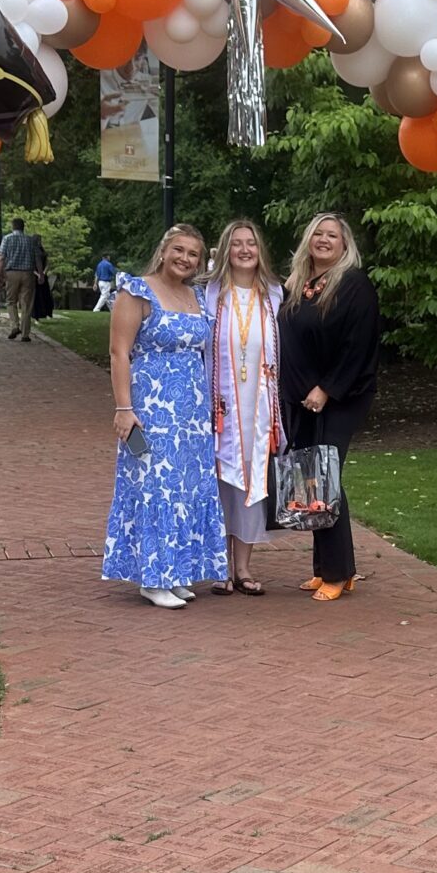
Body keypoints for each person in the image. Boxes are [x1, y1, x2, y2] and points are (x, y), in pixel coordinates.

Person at [103, 224, 228, 608]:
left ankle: (176, 572)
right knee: (155, 487)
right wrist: (124, 408)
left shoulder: (195, 295)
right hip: (152, 408)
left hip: (191, 412)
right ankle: (153, 577)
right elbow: (118, 352)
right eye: (179, 250)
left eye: (193, 254)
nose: (184, 259)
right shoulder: (136, 291)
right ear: (163, 251)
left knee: (187, 488)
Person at [278, 213, 380, 602]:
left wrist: (327, 389)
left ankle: (337, 573)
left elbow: (358, 345)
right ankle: (329, 569)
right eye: (317, 234)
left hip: (340, 395)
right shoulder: (298, 285)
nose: (323, 240)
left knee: (326, 476)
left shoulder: (353, 285)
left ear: (344, 244)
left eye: (332, 235)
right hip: (301, 398)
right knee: (312, 478)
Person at [203, 220, 283, 596]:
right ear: (226, 250)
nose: (245, 249)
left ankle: (244, 568)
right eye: (236, 243)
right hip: (219, 403)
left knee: (253, 479)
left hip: (260, 403)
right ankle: (219, 566)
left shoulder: (275, 294)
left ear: (260, 250)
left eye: (251, 243)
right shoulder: (209, 294)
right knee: (221, 481)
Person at [0, 216, 45, 342]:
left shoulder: (7, 239)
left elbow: (1, 258)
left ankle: (15, 325)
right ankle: (25, 334)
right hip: (28, 274)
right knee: (26, 304)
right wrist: (41, 274)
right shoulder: (30, 240)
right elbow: (37, 259)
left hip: (12, 273)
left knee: (11, 301)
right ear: (23, 227)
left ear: (13, 226)